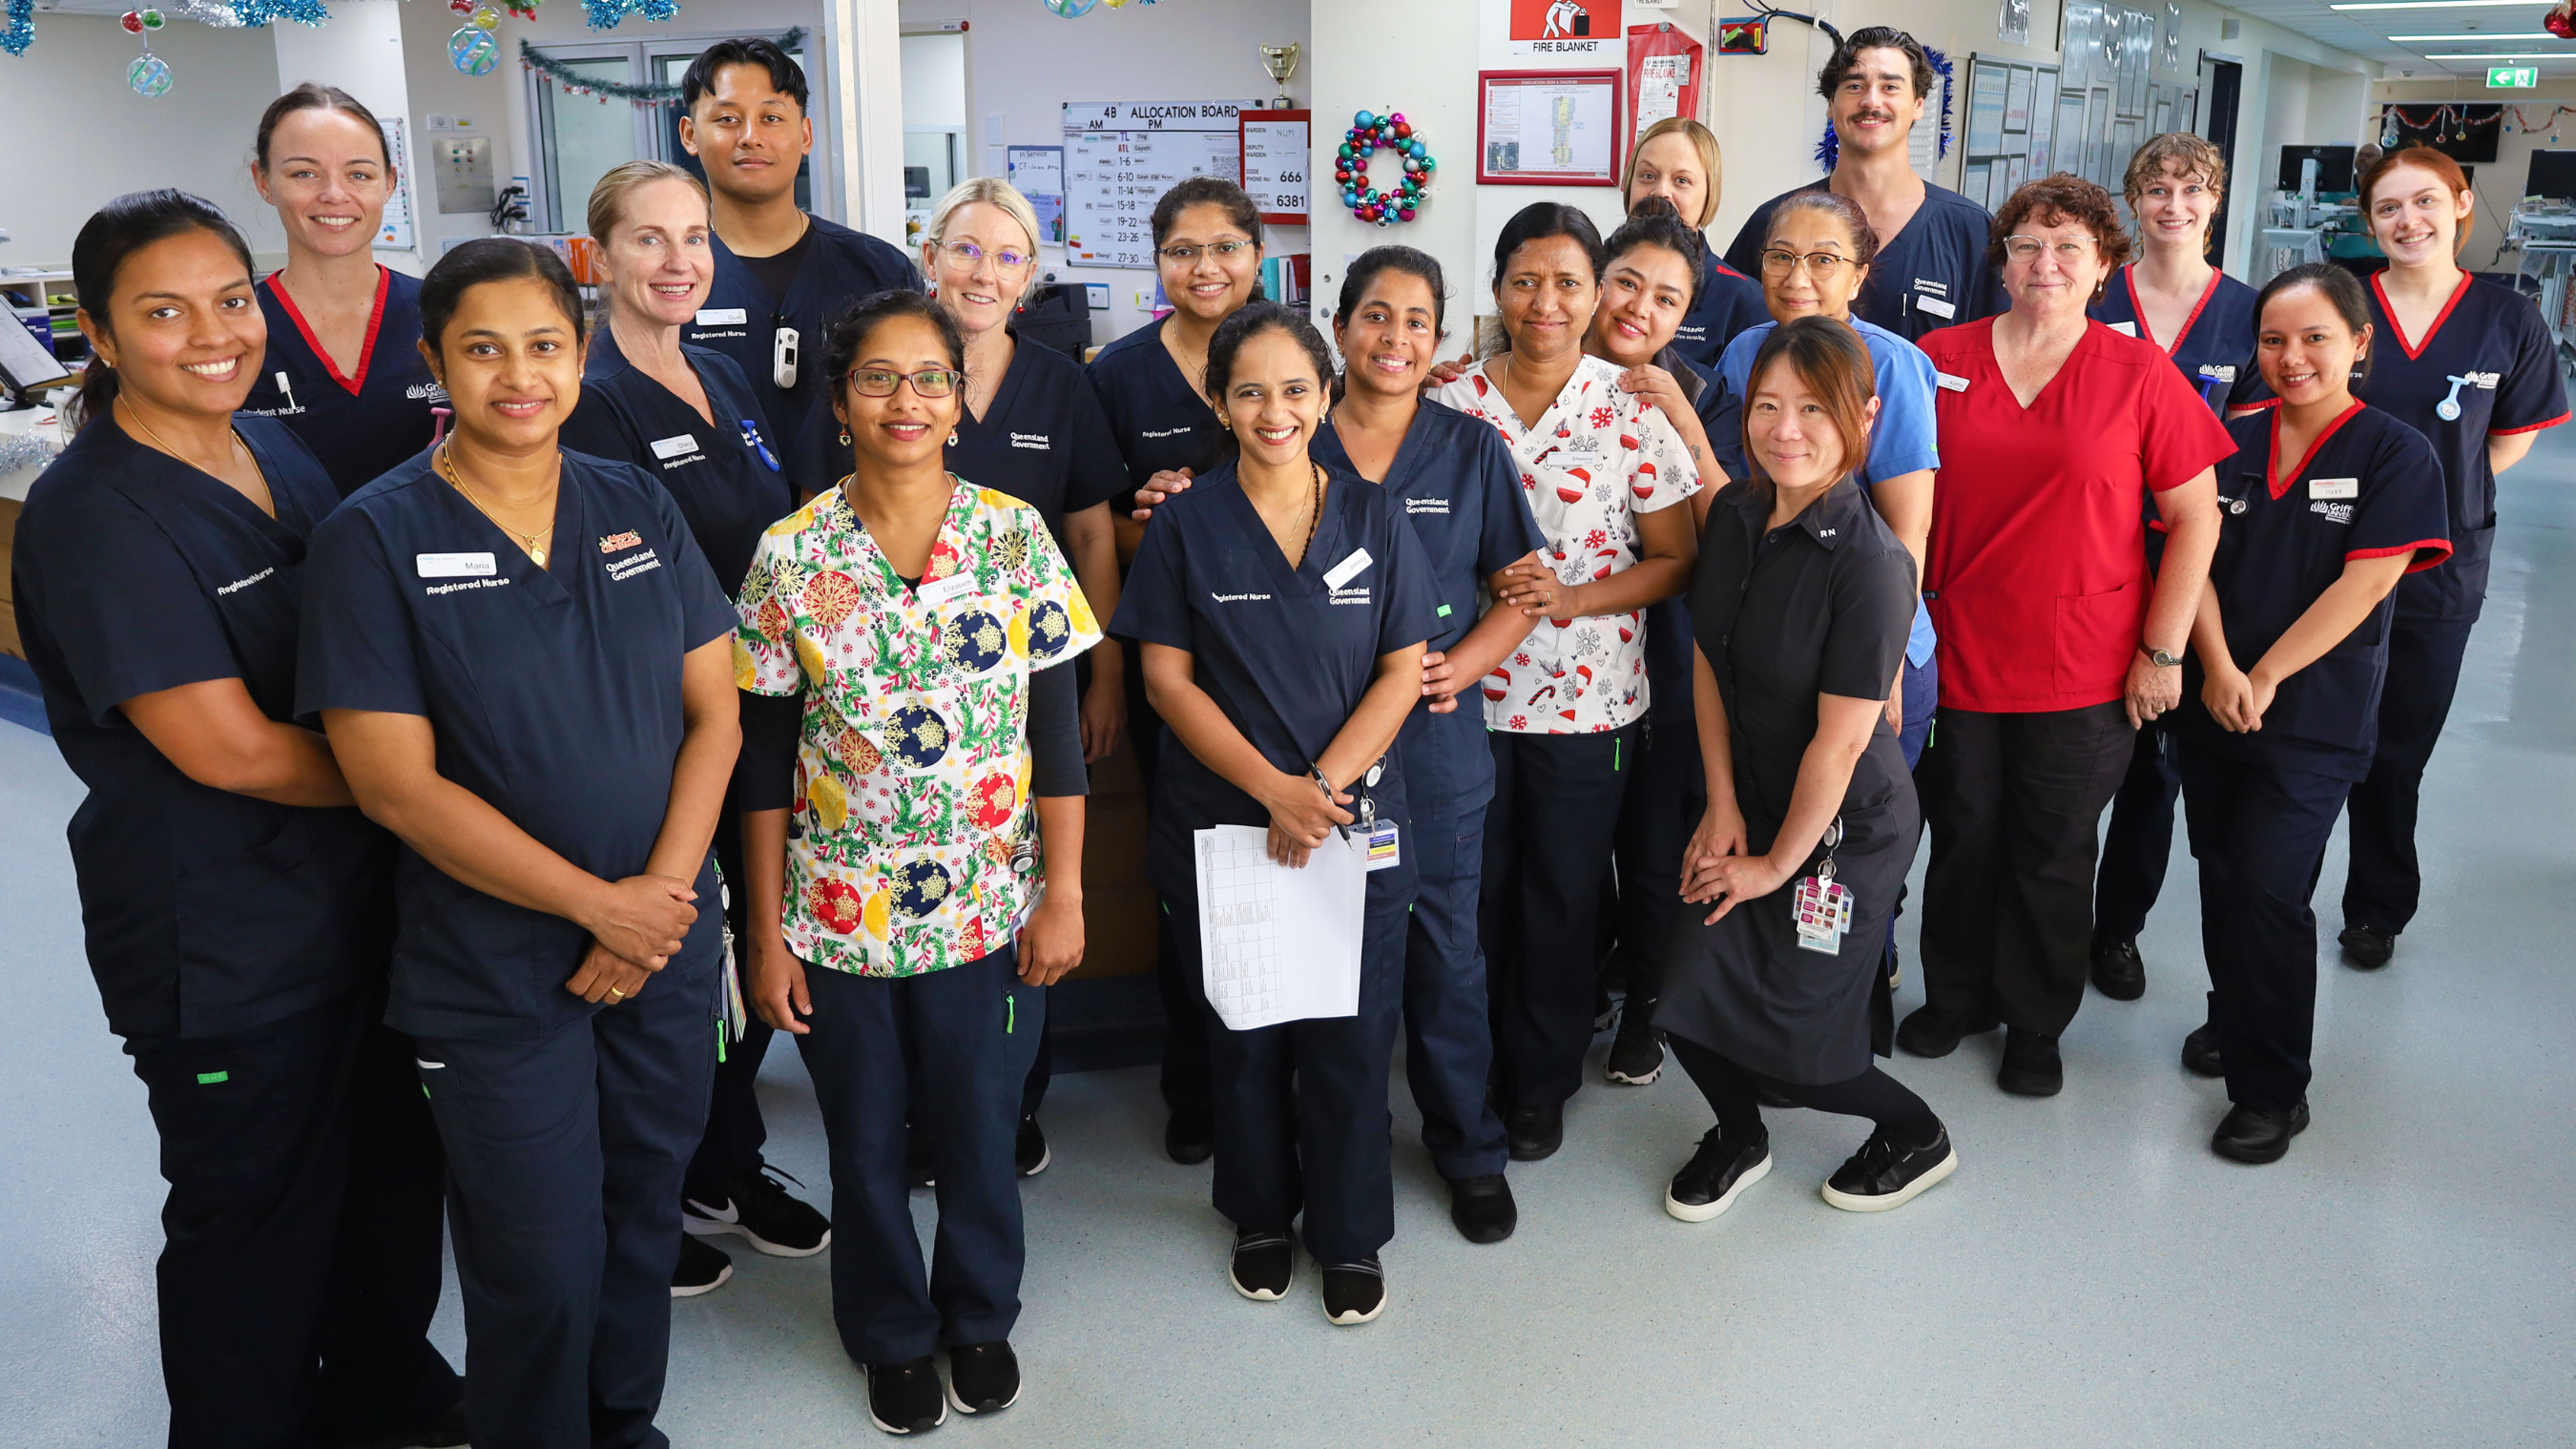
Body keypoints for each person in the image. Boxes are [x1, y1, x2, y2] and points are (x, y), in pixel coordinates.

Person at [10, 188, 462, 1449]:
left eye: (227, 299)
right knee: (256, 1214)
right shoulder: (98, 512)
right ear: (98, 334)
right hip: (221, 935)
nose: (213, 334)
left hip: (355, 903)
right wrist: (425, 784)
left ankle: (383, 1387)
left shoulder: (270, 448)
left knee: (385, 1174)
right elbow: (233, 747)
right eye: (163, 312)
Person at [299, 238, 741, 1449]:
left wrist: (654, 899)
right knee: (538, 1257)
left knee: (643, 1209)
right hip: (493, 968)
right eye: (482, 349)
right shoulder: (373, 537)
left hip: (660, 945)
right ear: (433, 361)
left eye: (544, 345)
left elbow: (717, 710)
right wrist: (597, 908)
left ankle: (620, 1424)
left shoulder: (633, 500)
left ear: (581, 354)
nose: (518, 376)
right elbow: (394, 786)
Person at [733, 289, 1097, 1433]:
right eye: (879, 378)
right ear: (840, 402)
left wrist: (1065, 893)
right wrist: (763, 929)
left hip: (990, 905)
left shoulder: (1013, 535)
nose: (907, 399)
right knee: (861, 1134)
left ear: (961, 397)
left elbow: (1056, 737)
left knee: (982, 1126)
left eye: (930, 377)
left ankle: (979, 1313)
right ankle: (889, 1329)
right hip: (838, 911)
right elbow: (762, 760)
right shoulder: (793, 555)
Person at [1111, 300, 1437, 1326]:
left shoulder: (1376, 517)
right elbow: (1164, 679)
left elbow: (1402, 669)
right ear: (1218, 401)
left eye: (1296, 388)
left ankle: (1348, 1233)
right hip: (1228, 824)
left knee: (1348, 1036)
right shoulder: (1187, 524)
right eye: (1248, 389)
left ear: (1327, 395)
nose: (1274, 409)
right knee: (1245, 1035)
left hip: (1352, 825)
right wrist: (1275, 792)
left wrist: (1322, 793)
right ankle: (1259, 1215)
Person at [1901, 175, 2231, 1097]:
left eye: (2069, 249)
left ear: (2103, 269)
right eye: (2027, 246)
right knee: (1962, 832)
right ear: (2001, 262)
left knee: (2052, 845)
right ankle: (1956, 993)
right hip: (1955, 649)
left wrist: (2163, 653)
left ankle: (2037, 1018)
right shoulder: (1937, 358)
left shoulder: (2138, 374)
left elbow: (2196, 519)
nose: (2045, 264)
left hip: (2083, 663)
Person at [556, 160, 820, 1297]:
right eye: (650, 240)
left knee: (751, 955)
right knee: (679, 975)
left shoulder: (721, 375)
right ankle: (647, 1201)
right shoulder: (596, 394)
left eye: (696, 238)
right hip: (673, 733)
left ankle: (722, 1163)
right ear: (597, 257)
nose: (679, 261)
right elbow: (623, 588)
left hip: (766, 720)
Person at [1660, 316, 1956, 1222]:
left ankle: (1917, 1135)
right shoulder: (1743, 514)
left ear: (1864, 414)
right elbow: (1711, 659)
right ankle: (1740, 1135)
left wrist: (1771, 867)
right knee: (1682, 993)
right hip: (1748, 793)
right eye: (1768, 407)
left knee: (1806, 1048)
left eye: (1814, 410)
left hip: (1840, 831)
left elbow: (1836, 746)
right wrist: (1720, 809)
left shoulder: (1872, 565)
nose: (1785, 429)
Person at [1431, 203, 1700, 1161]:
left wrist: (1575, 597)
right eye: (1525, 281)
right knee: (1473, 896)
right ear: (1498, 289)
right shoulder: (1448, 402)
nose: (1546, 302)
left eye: (1569, 283)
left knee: (1562, 897)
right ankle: (1470, 1073)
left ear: (1596, 295)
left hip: (1591, 702)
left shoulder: (1629, 407)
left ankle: (1538, 1083)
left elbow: (1676, 557)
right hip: (1462, 695)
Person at [2171, 263, 2451, 1164]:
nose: (2292, 358)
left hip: (2314, 714)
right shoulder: (2227, 438)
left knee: (2267, 885)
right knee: (2221, 870)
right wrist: (2217, 666)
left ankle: (2273, 1087)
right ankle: (2233, 1012)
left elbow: (2367, 583)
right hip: (2217, 697)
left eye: (2316, 338)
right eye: (2273, 340)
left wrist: (2262, 674)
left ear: (2359, 343)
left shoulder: (2394, 451)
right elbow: (2196, 559)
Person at [1311, 246, 1547, 1242]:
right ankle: (1340, 1152)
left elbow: (1522, 590)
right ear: (1339, 326)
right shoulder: (1290, 437)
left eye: (1415, 320)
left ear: (1440, 337)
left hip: (1439, 750)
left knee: (1448, 957)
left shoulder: (1471, 449)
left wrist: (1468, 660)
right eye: (1374, 315)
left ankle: (1468, 1146)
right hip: (1314, 744)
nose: (1393, 337)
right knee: (1331, 963)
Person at [910, 177, 1134, 1175]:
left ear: (1031, 277)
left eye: (1007, 257)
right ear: (929, 255)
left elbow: (1093, 533)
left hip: (1031, 687)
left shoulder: (1060, 385)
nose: (983, 273)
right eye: (966, 250)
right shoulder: (893, 370)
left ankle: (1016, 1100)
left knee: (1026, 893)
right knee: (921, 890)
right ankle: (926, 1106)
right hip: (907, 688)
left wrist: (1103, 677)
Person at [1712, 189, 1943, 1054]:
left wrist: (1881, 672)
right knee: (1782, 831)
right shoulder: (1743, 350)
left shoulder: (1892, 365)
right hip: (1777, 643)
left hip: (1868, 643)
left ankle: (1855, 1022)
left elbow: (1907, 531)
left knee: (1846, 860)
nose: (1797, 276)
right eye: (1779, 256)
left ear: (1860, 272)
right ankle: (1776, 1027)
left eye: (1823, 259)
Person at [2337, 146, 2567, 970]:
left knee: (2399, 748)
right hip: (2328, 557)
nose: (2410, 222)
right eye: (2390, 208)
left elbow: (2511, 437)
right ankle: (2275, 896)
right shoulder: (2344, 304)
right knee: (2308, 739)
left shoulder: (2509, 318)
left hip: (2442, 562)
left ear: (2462, 205)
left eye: (2427, 202)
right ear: (2370, 222)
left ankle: (2376, 904)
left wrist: (2432, 499)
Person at [1086, 175, 1267, 1164]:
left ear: (1257, 253)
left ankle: (1285, 1075)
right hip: (1173, 665)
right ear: (1158, 263)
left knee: (1290, 874)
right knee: (1192, 884)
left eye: (1225, 248)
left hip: (1281, 667)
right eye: (1184, 250)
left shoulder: (1290, 356)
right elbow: (1094, 526)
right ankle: (1196, 1082)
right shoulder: (1117, 375)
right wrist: (1144, 517)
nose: (1206, 269)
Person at [2088, 134, 2270, 1004]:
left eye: (2192, 190)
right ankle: (2041, 915)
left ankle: (2116, 926)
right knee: (2071, 749)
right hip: (2090, 547)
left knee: (2155, 766)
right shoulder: (2092, 293)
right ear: (2132, 202)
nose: (2173, 204)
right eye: (2155, 189)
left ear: (2216, 202)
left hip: (2191, 560)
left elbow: (2246, 454)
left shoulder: (2247, 313)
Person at [1576, 200, 1733, 1089]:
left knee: (1650, 835)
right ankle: (1584, 976)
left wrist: (1685, 419)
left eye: (1667, 299)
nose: (1640, 308)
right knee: (1566, 841)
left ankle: (1647, 998)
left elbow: (1731, 540)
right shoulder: (1530, 367)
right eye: (1625, 282)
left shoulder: (1696, 388)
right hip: (1544, 658)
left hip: (1662, 648)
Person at [676, 36, 920, 488]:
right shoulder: (669, 279)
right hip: (707, 540)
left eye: (771, 117)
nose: (750, 136)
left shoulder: (880, 270)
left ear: (805, 135)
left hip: (858, 538)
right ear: (690, 134)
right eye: (727, 119)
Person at [1722, 27, 2002, 342]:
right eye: (1855, 85)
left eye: (1890, 87)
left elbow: (1997, 357)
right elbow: (1725, 340)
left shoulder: (1970, 232)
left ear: (1919, 105)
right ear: (1831, 104)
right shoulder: (1774, 224)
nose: (1871, 101)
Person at [240, 83, 445, 495]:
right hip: (283, 558)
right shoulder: (233, 329)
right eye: (304, 173)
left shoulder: (443, 312)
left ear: (389, 183)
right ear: (263, 181)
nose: (334, 194)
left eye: (358, 174)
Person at [1624, 116, 1767, 367]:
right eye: (1648, 176)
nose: (1661, 191)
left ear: (1709, 195)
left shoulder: (1744, 302)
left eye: (1682, 180)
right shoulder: (1590, 275)